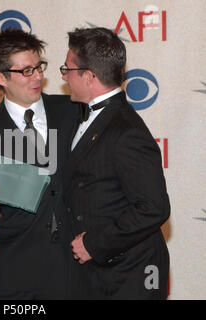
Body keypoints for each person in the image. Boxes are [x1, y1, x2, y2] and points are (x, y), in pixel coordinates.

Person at [60, 27, 170, 299]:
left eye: (67, 69)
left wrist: (94, 244)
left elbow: (153, 208)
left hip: (129, 275)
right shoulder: (83, 116)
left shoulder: (126, 131)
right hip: (99, 273)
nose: (63, 76)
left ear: (88, 76)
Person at [0, 29, 80, 299]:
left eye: (39, 67)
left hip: (77, 269)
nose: (38, 76)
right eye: (26, 71)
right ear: (0, 78)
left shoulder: (73, 110)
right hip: (17, 275)